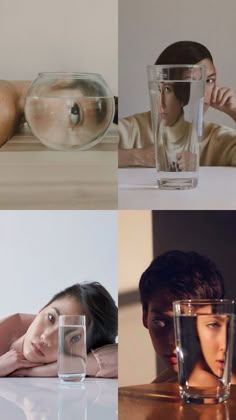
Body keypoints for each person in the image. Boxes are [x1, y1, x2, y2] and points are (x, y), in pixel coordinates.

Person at [119, 41, 236, 167]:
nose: (202, 92)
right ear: (162, 86)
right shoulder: (130, 130)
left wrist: (234, 111)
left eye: (209, 80)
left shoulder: (217, 138)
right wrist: (137, 157)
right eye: (190, 81)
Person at [139, 250, 236, 384]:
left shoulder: (223, 390)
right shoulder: (167, 382)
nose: (175, 342)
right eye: (160, 322)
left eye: (188, 323)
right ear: (145, 317)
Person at [0, 281, 118, 378]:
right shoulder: (5, 327)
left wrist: (57, 368)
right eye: (51, 318)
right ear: (42, 309)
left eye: (71, 337)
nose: (46, 337)